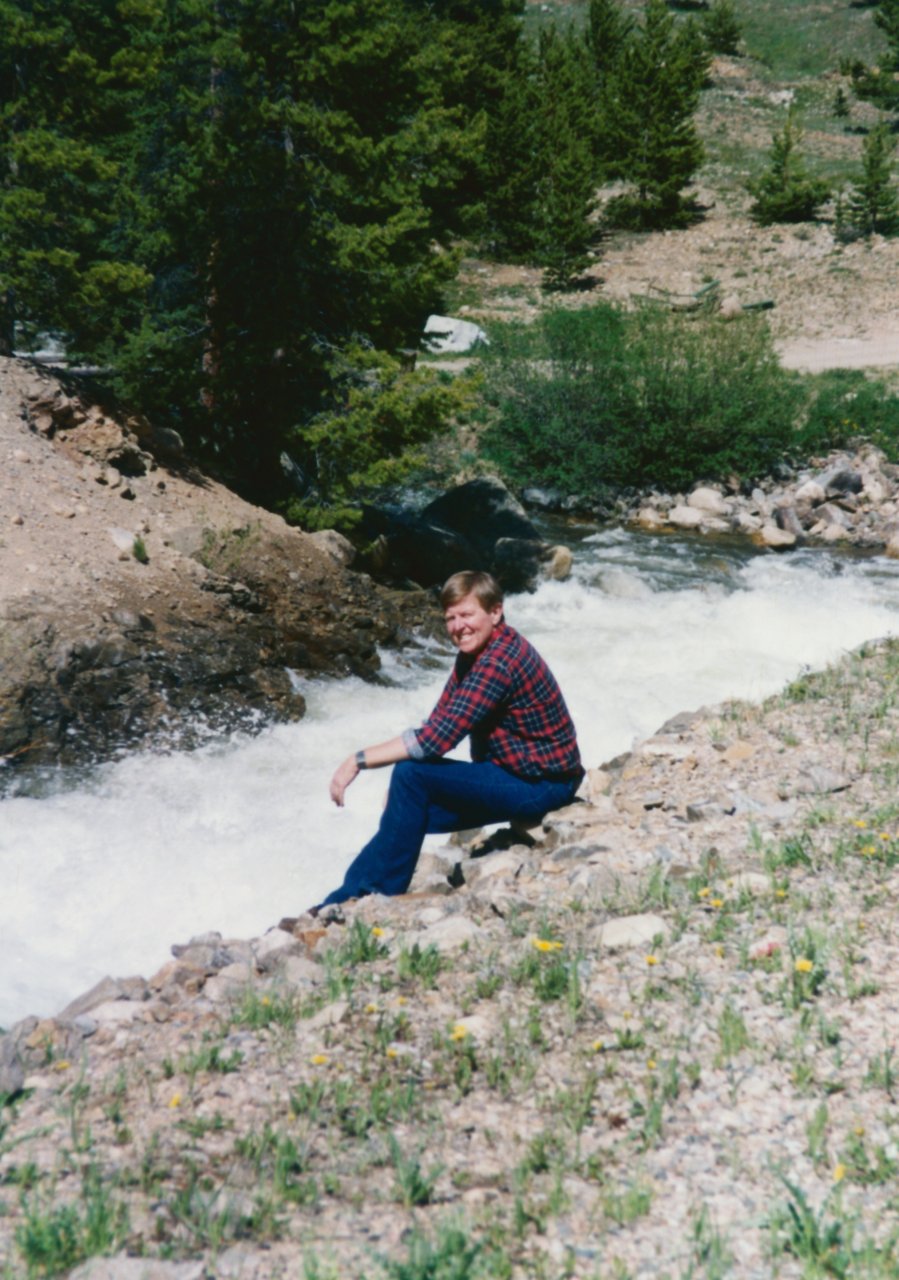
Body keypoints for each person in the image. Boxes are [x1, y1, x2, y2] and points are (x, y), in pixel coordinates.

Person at [317, 569, 583, 907]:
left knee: (410, 777)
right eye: (450, 618)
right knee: (407, 802)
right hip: (516, 773)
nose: (458, 626)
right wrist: (400, 792)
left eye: (467, 614)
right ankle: (349, 899)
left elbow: (435, 740)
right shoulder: (474, 655)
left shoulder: (499, 661)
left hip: (543, 784)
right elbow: (441, 719)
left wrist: (357, 761)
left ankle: (370, 897)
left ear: (495, 612)